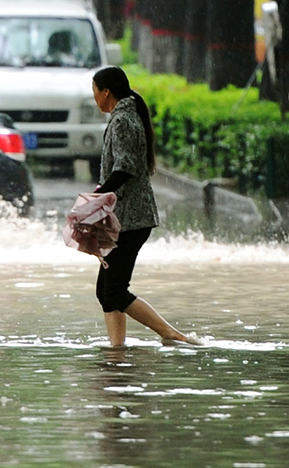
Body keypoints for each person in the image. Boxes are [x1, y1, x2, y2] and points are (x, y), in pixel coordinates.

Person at [91, 66, 199, 349]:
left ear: (106, 92)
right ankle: (117, 351)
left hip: (132, 220)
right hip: (124, 219)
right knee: (106, 291)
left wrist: (99, 194)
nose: (94, 99)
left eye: (94, 92)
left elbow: (124, 167)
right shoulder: (123, 117)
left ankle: (171, 334)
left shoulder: (123, 121)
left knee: (113, 289)